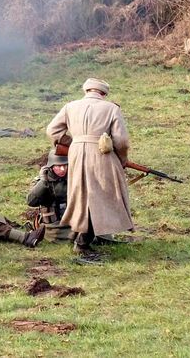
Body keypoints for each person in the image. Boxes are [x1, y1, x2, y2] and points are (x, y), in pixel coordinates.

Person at [46, 78, 133, 255]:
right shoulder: (111, 108)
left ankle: (81, 236)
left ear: (86, 90)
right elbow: (122, 141)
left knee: (82, 195)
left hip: (76, 154)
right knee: (100, 197)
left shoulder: (70, 106)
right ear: (103, 93)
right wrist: (122, 160)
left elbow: (52, 130)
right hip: (101, 155)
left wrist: (73, 142)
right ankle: (82, 243)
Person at [27, 150, 74, 242]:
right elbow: (31, 201)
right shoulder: (42, 181)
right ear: (50, 167)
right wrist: (43, 182)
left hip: (74, 222)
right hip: (53, 227)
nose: (62, 169)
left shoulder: (74, 178)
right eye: (58, 166)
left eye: (65, 165)